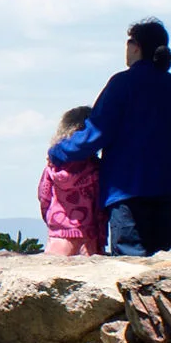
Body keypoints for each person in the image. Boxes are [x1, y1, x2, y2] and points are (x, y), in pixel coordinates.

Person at [48, 18, 171, 256]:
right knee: (164, 267)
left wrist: (59, 151)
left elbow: (96, 133)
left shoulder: (122, 84)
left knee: (130, 267)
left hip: (128, 191)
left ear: (136, 46)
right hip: (169, 188)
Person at [39, 107, 106, 256]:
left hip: (58, 235)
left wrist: (52, 221)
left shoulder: (52, 167)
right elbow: (101, 204)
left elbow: (44, 198)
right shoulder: (96, 169)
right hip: (88, 235)